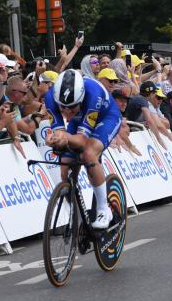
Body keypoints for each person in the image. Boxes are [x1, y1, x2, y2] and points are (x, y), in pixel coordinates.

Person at [43, 69, 123, 229]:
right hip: (79, 119)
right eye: (63, 108)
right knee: (65, 166)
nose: (67, 112)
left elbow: (81, 141)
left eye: (72, 107)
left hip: (106, 117)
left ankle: (103, 209)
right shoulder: (50, 98)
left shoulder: (93, 93)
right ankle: (77, 216)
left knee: (88, 153)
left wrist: (64, 137)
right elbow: (60, 132)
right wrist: (54, 138)